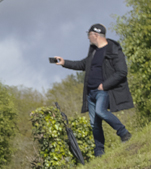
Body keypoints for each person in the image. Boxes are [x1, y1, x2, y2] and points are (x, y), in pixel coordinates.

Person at [56, 23, 133, 157]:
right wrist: (64, 63)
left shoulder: (113, 50)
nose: (88, 38)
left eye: (89, 35)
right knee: (94, 124)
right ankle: (99, 152)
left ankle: (124, 133)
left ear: (95, 35)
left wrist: (104, 85)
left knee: (101, 112)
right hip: (90, 93)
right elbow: (82, 64)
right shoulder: (94, 51)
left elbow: (122, 72)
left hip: (103, 91)